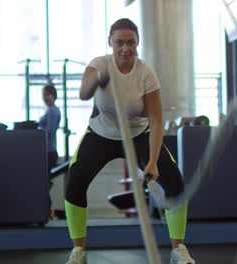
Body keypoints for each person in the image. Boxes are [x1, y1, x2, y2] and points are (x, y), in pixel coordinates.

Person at [64, 18, 195, 264]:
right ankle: (78, 251)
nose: (125, 48)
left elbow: (156, 121)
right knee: (75, 181)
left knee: (175, 182)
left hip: (138, 134)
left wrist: (153, 161)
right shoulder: (99, 64)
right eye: (120, 42)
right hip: (101, 134)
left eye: (131, 43)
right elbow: (83, 93)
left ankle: (179, 249)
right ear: (110, 43)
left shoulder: (145, 74)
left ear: (137, 44)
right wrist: (98, 78)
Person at [38, 83, 62, 219]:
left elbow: (49, 132)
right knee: (44, 183)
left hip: (49, 151)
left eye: (45, 94)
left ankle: (47, 211)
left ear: (51, 95)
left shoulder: (52, 111)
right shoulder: (50, 110)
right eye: (43, 95)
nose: (44, 97)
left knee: (44, 183)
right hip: (48, 150)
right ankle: (47, 211)